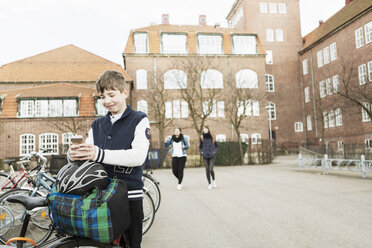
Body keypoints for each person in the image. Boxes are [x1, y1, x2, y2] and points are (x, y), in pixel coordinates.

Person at [68, 70, 150, 248]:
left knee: (132, 244)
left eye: (111, 95)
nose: (107, 101)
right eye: (102, 97)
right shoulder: (97, 124)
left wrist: (99, 154)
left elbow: (138, 156)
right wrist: (74, 154)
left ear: (125, 93)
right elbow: (89, 152)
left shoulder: (139, 119)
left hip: (130, 196)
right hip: (101, 197)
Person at [199, 126, 218, 190]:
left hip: (211, 155)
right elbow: (200, 147)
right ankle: (209, 184)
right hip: (205, 156)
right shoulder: (202, 137)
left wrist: (214, 151)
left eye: (205, 129)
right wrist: (201, 151)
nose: (204, 130)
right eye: (203, 129)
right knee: (207, 170)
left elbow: (216, 146)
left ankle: (213, 180)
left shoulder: (212, 136)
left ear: (208, 129)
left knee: (210, 169)